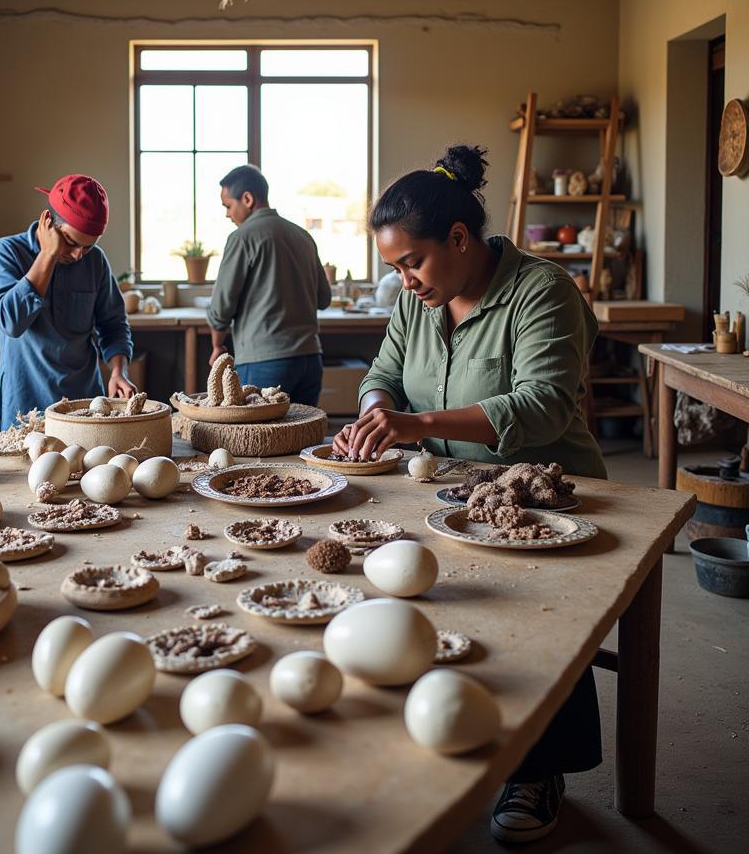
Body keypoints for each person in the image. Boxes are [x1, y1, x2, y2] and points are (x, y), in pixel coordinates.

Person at [333, 145, 605, 843]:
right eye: (395, 267)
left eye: (411, 262)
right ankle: (440, 717)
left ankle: (537, 767)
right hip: (445, 485)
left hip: (542, 490)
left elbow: (543, 405)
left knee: (535, 614)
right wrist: (374, 410)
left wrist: (414, 423)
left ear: (459, 239)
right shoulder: (416, 303)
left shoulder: (542, 292)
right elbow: (384, 370)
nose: (405, 280)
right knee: (408, 585)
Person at [0, 174, 136, 431]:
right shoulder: (7, 253)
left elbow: (113, 325)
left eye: (87, 247)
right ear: (48, 222)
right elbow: (11, 322)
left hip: (84, 406)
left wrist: (118, 371)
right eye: (70, 242)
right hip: (24, 409)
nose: (79, 256)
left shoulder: (95, 262)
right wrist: (49, 255)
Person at [207, 164, 332, 405]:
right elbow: (324, 299)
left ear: (247, 199)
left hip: (264, 361)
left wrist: (216, 344)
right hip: (310, 359)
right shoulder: (303, 236)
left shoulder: (242, 237)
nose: (227, 214)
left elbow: (222, 306)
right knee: (301, 436)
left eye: (228, 206)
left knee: (259, 438)